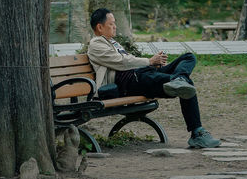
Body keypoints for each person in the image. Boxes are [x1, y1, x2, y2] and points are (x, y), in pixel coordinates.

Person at [87, 8, 220, 149]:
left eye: (115, 23)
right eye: (111, 24)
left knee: (188, 57)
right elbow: (122, 62)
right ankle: (197, 132)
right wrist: (150, 61)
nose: (115, 26)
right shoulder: (96, 45)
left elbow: (128, 61)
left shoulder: (112, 42)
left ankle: (179, 79)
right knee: (188, 84)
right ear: (100, 27)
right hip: (131, 82)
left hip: (141, 74)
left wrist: (155, 64)